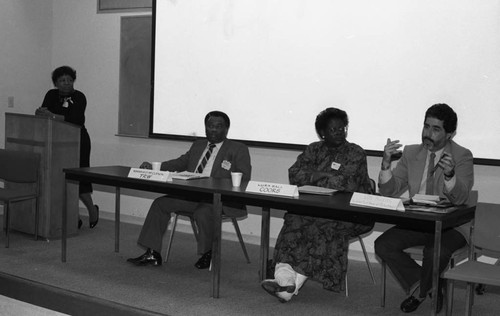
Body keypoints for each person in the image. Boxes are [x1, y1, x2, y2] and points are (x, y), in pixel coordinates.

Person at [261, 107, 374, 303]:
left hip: (351, 213)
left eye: (343, 128)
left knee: (322, 225)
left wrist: (313, 176)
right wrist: (326, 175)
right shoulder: (314, 149)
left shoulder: (355, 152)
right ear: (322, 133)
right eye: (334, 130)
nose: (340, 133)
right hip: (316, 208)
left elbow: (347, 183)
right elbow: (294, 174)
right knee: (294, 219)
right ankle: (287, 281)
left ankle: (287, 285)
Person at [374, 103, 474, 313]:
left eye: (436, 129)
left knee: (435, 252)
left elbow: (462, 197)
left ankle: (420, 294)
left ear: (450, 134)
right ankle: (429, 287)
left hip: (452, 227)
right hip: (419, 221)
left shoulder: (462, 156)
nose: (428, 134)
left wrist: (450, 175)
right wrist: (385, 164)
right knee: (383, 245)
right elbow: (389, 191)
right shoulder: (411, 153)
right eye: (426, 126)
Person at [127, 111, 251, 269]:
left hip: (219, 200)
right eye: (210, 126)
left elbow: (244, 178)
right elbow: (180, 163)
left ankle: (208, 253)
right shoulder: (198, 145)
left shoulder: (238, 149)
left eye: (218, 127)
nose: (213, 130)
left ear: (226, 129)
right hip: (192, 196)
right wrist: (154, 166)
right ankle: (152, 253)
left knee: (203, 212)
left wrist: (214, 183)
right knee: (160, 204)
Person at [35, 66, 99, 229]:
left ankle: (92, 210)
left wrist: (53, 116)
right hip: (56, 141)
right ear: (56, 82)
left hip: (78, 140)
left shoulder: (79, 97)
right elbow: (44, 114)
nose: (66, 83)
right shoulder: (51, 95)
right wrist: (41, 112)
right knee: (62, 179)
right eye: (62, 80)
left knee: (80, 177)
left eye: (70, 80)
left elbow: (76, 120)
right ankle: (74, 216)